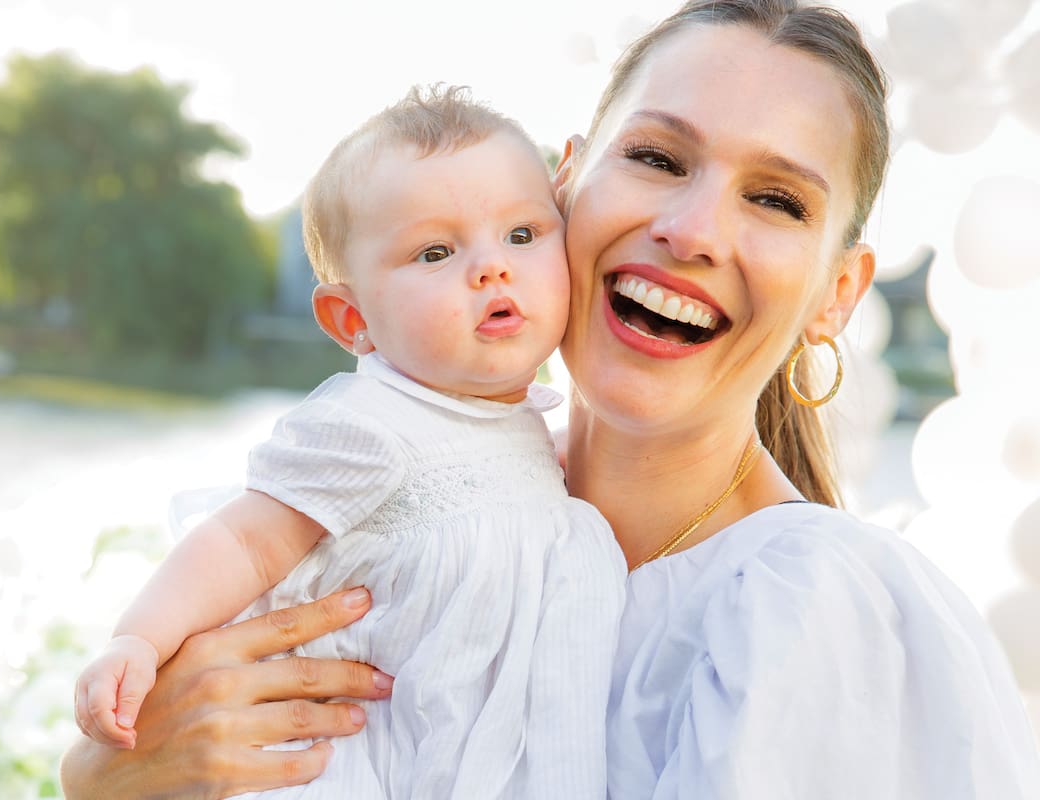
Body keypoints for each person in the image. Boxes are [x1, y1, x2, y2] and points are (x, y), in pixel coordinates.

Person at [61, 1, 1040, 797]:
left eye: (776, 200)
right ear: (565, 181)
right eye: (657, 157)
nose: (693, 228)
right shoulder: (404, 493)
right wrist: (108, 773)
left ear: (838, 292)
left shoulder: (811, 609)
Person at [71, 84, 625, 799]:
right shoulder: (373, 423)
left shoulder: (523, 430)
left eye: (522, 235)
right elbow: (243, 542)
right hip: (368, 760)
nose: (492, 267)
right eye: (435, 251)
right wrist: (138, 641)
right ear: (351, 319)